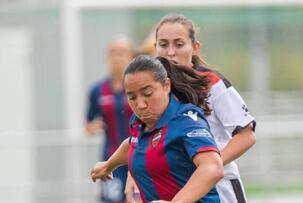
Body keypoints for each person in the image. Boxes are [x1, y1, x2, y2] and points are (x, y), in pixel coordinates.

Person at [126, 14, 256, 203]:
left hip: (219, 187)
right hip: (177, 188)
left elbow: (246, 136)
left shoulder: (212, 83)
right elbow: (143, 137)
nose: (170, 52)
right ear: (155, 48)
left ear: (194, 47)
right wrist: (135, 172)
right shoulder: (155, 90)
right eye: (163, 45)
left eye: (179, 44)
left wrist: (208, 164)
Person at [90, 55, 224, 203]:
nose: (140, 105)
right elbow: (134, 143)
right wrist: (109, 165)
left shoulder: (186, 120)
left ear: (166, 86)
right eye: (132, 97)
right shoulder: (139, 122)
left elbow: (212, 167)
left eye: (147, 94)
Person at [86, 37, 134, 203]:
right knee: (111, 199)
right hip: (111, 157)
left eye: (122, 52)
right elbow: (88, 122)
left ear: (130, 56)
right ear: (107, 57)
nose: (117, 57)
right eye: (113, 53)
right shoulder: (97, 90)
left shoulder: (138, 87)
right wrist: (92, 127)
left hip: (138, 155)